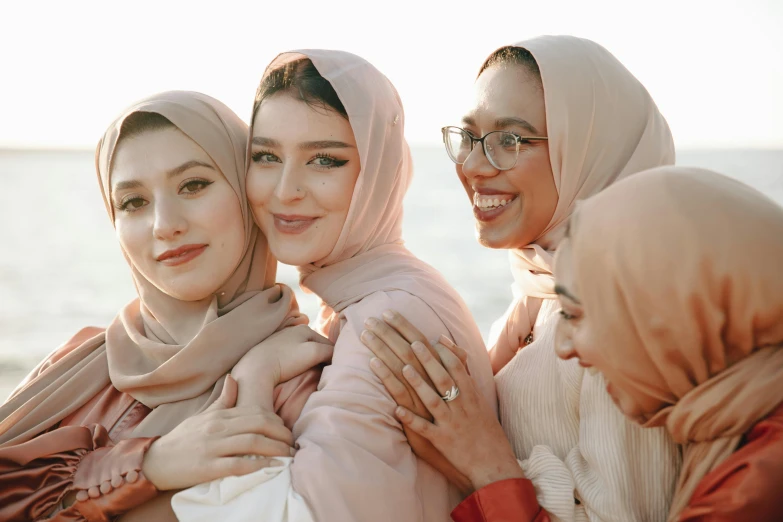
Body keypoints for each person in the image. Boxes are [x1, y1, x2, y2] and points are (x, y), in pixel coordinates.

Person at [361, 36, 680, 522]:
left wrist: (482, 460)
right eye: (467, 138)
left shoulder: (623, 321)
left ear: (590, 151)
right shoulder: (541, 291)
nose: (471, 166)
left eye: (509, 141)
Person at [171, 50, 496, 522]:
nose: (285, 190)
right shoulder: (368, 297)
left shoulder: (388, 319)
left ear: (378, 172)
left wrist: (254, 379)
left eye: (325, 160)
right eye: (265, 156)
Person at [0, 91, 331, 522]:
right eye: (134, 202)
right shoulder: (74, 361)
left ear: (248, 192)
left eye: (193, 185)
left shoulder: (303, 387)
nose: (165, 225)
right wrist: (151, 465)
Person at [553, 166, 783, 522]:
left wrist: (490, 477)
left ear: (668, 314)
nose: (563, 347)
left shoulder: (751, 493)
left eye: (574, 314)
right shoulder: (748, 434)